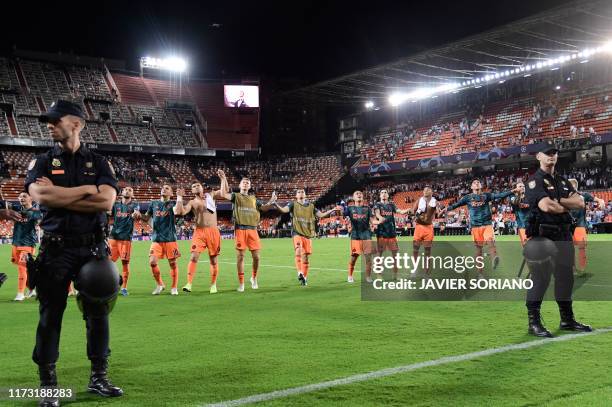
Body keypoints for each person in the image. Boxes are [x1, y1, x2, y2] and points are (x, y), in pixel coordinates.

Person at [27, 100, 123, 404]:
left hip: (92, 248)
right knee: (50, 316)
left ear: (77, 124)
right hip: (55, 249)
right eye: (48, 121)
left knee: (98, 315)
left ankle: (99, 378)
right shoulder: (42, 162)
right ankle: (48, 386)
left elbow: (106, 202)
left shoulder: (99, 161)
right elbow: (40, 195)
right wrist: (85, 190)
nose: (49, 125)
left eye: (55, 120)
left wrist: (60, 197)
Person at [523, 141, 592, 338]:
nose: (551, 156)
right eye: (547, 153)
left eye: (554, 153)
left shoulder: (563, 180)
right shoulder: (533, 181)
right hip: (542, 235)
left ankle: (566, 319)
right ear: (538, 157)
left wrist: (559, 201)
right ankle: (533, 323)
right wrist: (564, 203)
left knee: (565, 279)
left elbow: (580, 202)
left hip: (563, 234)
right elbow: (547, 207)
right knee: (540, 280)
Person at [443, 179, 519, 275]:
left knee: (490, 241)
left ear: (481, 185)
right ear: (471, 187)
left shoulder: (486, 196)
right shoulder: (467, 198)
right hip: (475, 226)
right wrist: (446, 209)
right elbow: (456, 205)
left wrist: (512, 191)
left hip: (487, 224)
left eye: (478, 182)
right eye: (474, 183)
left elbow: (499, 195)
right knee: (479, 249)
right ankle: (480, 273)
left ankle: (494, 257)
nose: (476, 183)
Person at [218, 172, 277, 292]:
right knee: (240, 257)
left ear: (249, 186)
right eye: (243, 182)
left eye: (247, 183)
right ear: (240, 185)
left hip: (253, 230)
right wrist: (223, 179)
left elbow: (265, 208)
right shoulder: (236, 196)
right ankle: (241, 283)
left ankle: (254, 278)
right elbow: (223, 194)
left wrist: (271, 200)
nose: (245, 184)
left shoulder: (254, 199)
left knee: (257, 257)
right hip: (240, 229)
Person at [275, 189, 342, 285]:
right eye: (298, 192)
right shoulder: (293, 204)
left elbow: (321, 215)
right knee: (298, 250)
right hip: (297, 232)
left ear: (305, 195)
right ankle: (299, 272)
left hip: (307, 235)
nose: (301, 193)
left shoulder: (311, 206)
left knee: (305, 257)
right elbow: (284, 210)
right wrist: (276, 204)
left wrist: (332, 210)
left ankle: (304, 278)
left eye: (302, 192)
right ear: (296, 196)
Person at [175, 177, 223, 294]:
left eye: (198, 185)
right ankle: (189, 283)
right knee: (194, 256)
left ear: (202, 187)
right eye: (193, 186)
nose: (196, 187)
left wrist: (223, 178)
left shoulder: (210, 196)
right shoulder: (192, 202)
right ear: (191, 191)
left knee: (213, 260)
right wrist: (180, 197)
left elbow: (223, 191)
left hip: (213, 231)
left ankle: (213, 285)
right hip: (199, 232)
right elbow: (181, 212)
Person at [139, 185, 181, 295]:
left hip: (170, 238)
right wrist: (139, 215)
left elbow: (177, 211)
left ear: (171, 193)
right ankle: (160, 284)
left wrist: (179, 197)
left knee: (173, 263)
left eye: (167, 188)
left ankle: (174, 287)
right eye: (163, 187)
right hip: (156, 238)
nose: (164, 189)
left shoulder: (172, 204)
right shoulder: (153, 203)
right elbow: (146, 218)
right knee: (152, 262)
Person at [343, 191, 383, 283]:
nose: (359, 194)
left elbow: (372, 220)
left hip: (366, 236)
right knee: (354, 258)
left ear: (363, 197)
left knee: (368, 258)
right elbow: (342, 216)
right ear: (353, 197)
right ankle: (350, 275)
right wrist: (345, 222)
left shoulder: (367, 209)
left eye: (360, 193)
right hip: (355, 236)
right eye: (357, 194)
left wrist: (379, 221)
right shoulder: (350, 208)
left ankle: (368, 277)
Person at [9, 192, 42, 301]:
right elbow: (3, 204)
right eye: (20, 196)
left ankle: (20, 293)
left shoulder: (36, 212)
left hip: (27, 244)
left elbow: (39, 219)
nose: (21, 198)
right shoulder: (16, 208)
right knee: (27, 269)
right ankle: (32, 288)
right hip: (16, 243)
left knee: (22, 268)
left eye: (24, 196)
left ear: (31, 198)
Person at [567, 178, 605, 273]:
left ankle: (582, 269)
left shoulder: (584, 195)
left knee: (581, 247)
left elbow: (599, 200)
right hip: (567, 226)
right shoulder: (563, 198)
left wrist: (601, 202)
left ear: (575, 187)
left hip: (580, 225)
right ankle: (573, 268)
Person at [108, 186, 140, 296]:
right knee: (108, 262)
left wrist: (136, 214)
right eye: (126, 189)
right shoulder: (115, 205)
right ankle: (109, 285)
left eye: (130, 190)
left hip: (125, 238)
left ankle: (124, 287)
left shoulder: (134, 205)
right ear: (122, 192)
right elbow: (107, 213)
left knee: (125, 262)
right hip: (113, 237)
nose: (127, 191)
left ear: (133, 194)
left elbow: (137, 213)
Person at [373, 189, 411, 279]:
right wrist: (380, 218)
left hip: (391, 232)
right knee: (380, 255)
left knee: (395, 255)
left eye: (385, 192)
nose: (384, 194)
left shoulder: (391, 204)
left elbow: (400, 211)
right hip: (381, 232)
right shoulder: (377, 205)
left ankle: (395, 275)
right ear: (380, 195)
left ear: (388, 195)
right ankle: (379, 274)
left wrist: (407, 210)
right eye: (382, 193)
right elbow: (377, 214)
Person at [411, 187, 440, 276]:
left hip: (428, 228)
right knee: (415, 250)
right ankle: (415, 270)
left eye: (428, 189)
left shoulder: (435, 202)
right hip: (419, 227)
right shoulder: (419, 200)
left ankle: (426, 273)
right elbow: (413, 210)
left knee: (428, 252)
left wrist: (438, 210)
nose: (425, 191)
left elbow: (438, 213)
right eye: (424, 190)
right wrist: (416, 215)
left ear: (432, 191)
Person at [510, 182, 530, 246]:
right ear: (516, 188)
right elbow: (515, 202)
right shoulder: (512, 197)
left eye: (523, 186)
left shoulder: (529, 197)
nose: (522, 188)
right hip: (521, 225)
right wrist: (519, 194)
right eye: (520, 186)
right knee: (525, 245)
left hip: (531, 225)